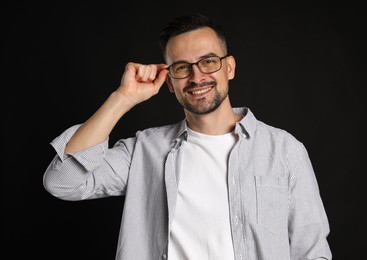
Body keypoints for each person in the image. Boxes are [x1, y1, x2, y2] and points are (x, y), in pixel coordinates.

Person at [43, 13, 332, 260]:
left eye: (208, 62)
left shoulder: (284, 151)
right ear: (169, 81)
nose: (196, 78)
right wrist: (123, 98)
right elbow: (63, 182)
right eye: (182, 67)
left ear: (229, 67)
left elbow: (312, 251)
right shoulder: (144, 151)